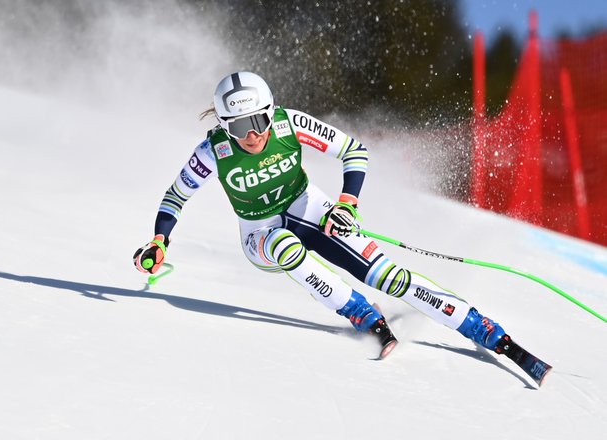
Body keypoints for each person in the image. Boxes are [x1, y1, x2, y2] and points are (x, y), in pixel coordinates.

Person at [133, 71, 509, 359]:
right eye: (238, 127)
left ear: (270, 113)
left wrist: (347, 202)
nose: (252, 136)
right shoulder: (213, 151)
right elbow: (175, 197)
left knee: (385, 275)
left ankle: (475, 324)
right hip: (259, 232)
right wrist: (159, 240)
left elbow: (354, 151)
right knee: (283, 244)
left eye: (259, 122)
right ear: (223, 125)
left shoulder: (288, 124)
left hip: (308, 206)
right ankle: (358, 310)